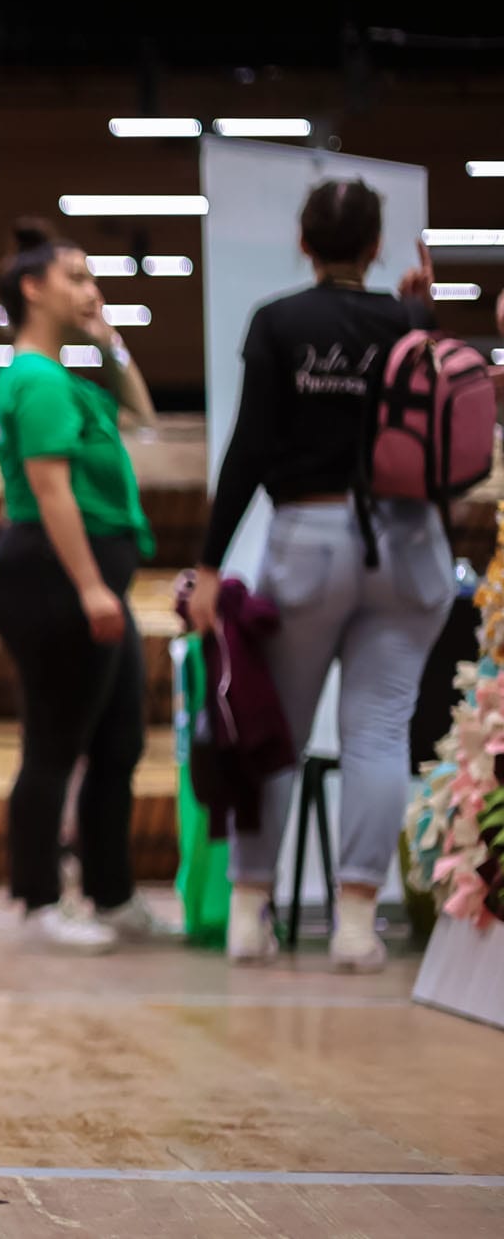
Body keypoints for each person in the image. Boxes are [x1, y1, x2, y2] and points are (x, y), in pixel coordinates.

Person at [187, 180, 450, 972]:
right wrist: (419, 314)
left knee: (276, 732)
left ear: (303, 242)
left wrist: (207, 562)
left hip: (307, 535)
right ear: (375, 245)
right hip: (408, 540)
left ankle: (246, 914)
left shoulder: (279, 322)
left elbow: (249, 449)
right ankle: (357, 925)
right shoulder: (409, 324)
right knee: (379, 731)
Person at [0, 220, 167, 953]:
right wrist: (92, 587)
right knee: (53, 741)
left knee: (118, 739)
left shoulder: (71, 378)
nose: (91, 290)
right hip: (56, 576)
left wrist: (109, 336)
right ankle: (37, 898)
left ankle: (112, 893)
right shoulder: (34, 378)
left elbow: (144, 414)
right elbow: (51, 489)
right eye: (77, 278)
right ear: (33, 288)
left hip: (86, 577)